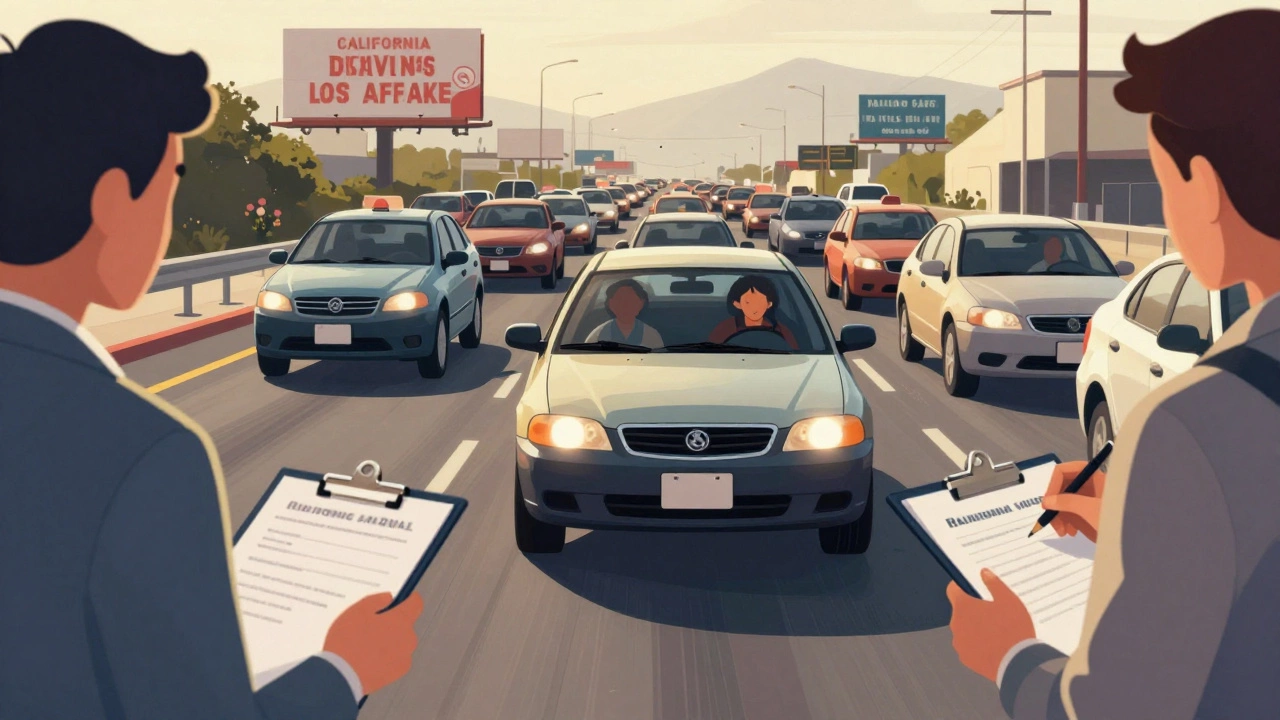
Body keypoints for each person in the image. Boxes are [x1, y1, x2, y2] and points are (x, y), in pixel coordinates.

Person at [0, 21, 421, 719]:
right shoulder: (141, 455)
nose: (166, 215)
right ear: (111, 202)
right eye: (171, 183)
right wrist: (345, 667)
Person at [946, 10, 1280, 719]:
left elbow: (1112, 709)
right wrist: (1152, 530)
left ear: (1207, 189)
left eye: (1164, 181)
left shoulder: (1199, 423)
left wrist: (1009, 655)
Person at [709, 275, 799, 349]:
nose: (755, 307)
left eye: (760, 302)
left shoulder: (780, 330)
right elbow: (711, 355)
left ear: (769, 304)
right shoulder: (725, 329)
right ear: (737, 304)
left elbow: (796, 354)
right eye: (748, 302)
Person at [585, 279, 664, 346]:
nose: (625, 305)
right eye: (619, 300)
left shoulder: (652, 335)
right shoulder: (597, 335)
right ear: (610, 304)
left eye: (630, 301)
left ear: (641, 303)